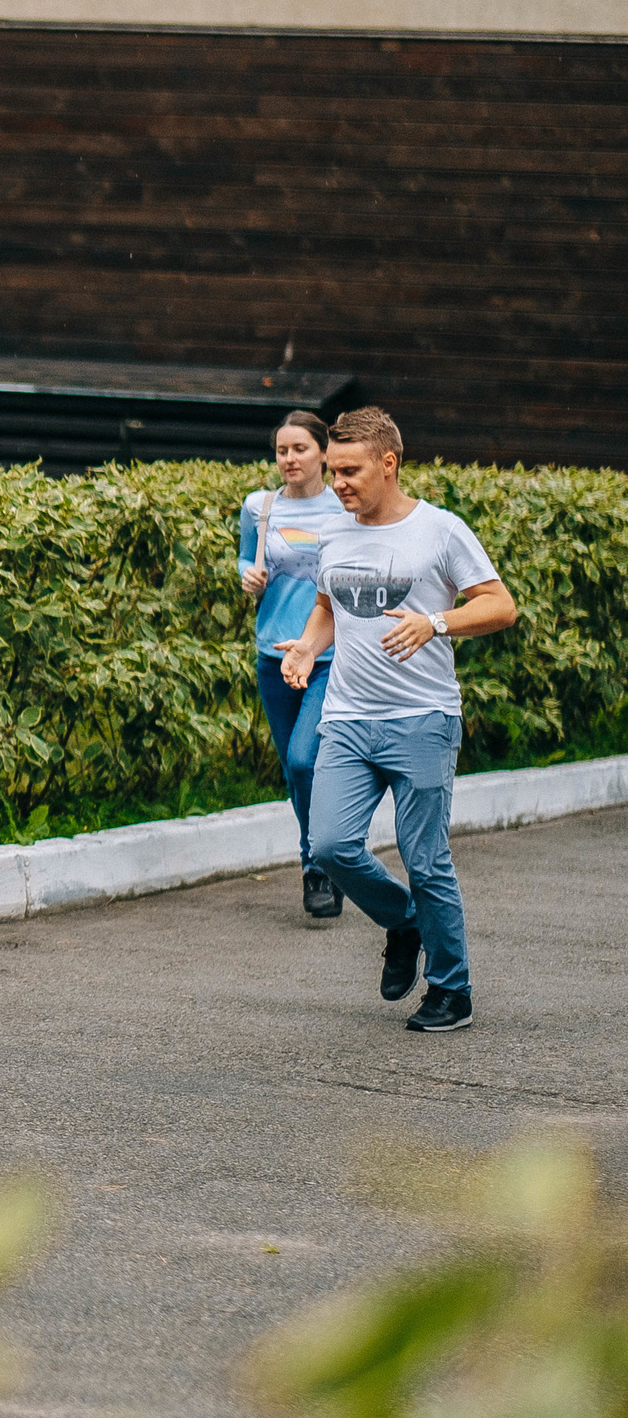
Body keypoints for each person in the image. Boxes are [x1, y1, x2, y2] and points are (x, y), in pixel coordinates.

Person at [280, 406, 515, 1033]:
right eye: (333, 472)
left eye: (350, 471)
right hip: (349, 718)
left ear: (389, 462)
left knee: (426, 857)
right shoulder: (335, 532)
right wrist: (308, 644)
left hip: (422, 719)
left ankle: (451, 989)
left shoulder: (439, 531)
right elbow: (330, 602)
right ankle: (404, 920)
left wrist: (435, 621)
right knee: (329, 845)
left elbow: (499, 604)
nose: (338, 484)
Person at [237, 410, 355, 918]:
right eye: (282, 450)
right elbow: (245, 558)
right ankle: (322, 862)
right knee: (293, 768)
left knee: (308, 759)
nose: (289, 458)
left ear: (323, 453)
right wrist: (248, 576)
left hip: (329, 655)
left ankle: (321, 865)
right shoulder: (259, 507)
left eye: (300, 449)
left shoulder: (343, 511)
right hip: (273, 653)